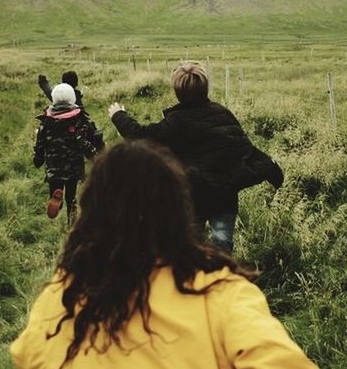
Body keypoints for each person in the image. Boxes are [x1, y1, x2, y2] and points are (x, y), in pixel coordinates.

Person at [9, 140, 347, 369]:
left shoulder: (69, 292)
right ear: (177, 209)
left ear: (91, 215)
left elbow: (30, 358)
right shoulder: (220, 292)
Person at [107, 61, 281, 253]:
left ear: (177, 91)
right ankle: (219, 280)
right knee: (222, 249)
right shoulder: (223, 113)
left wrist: (118, 115)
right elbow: (244, 149)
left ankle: (192, 279)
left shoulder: (175, 122)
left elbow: (140, 136)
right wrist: (268, 167)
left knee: (188, 250)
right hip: (224, 197)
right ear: (205, 87)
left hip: (191, 197)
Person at [33, 83, 102, 221]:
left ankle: (56, 197)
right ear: (72, 98)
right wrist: (95, 155)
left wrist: (38, 159)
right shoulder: (79, 119)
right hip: (74, 166)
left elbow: (40, 143)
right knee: (72, 194)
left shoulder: (47, 120)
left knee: (55, 183)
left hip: (54, 166)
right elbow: (87, 139)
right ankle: (71, 213)